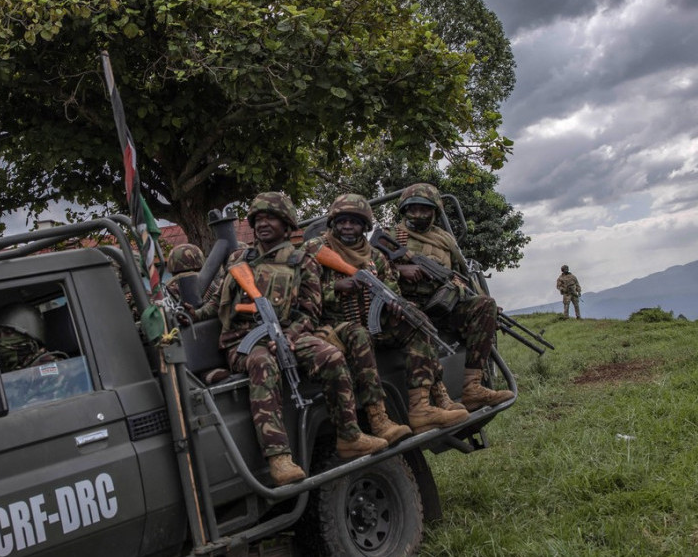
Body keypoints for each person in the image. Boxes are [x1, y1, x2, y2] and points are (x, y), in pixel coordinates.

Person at [197, 192, 387, 486]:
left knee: (331, 356)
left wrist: (287, 336)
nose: (262, 224)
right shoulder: (239, 259)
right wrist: (192, 314)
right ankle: (279, 457)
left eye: (270, 218)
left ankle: (349, 435)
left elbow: (311, 313)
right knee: (263, 362)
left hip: (288, 334)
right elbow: (216, 303)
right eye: (258, 219)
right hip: (242, 343)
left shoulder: (302, 261)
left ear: (286, 225)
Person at [304, 194, 469, 437]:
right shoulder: (316, 250)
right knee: (358, 334)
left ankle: (422, 406)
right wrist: (335, 289)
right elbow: (302, 294)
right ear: (333, 223)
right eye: (342, 221)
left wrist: (396, 305)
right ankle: (378, 416)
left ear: (365, 226)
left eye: (354, 221)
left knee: (416, 321)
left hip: (375, 324)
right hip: (333, 325)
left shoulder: (376, 257)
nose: (348, 226)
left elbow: (392, 289)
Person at [387, 183, 513, 411]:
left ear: (435, 211)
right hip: (409, 309)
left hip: (444, 307)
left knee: (486, 306)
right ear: (404, 210)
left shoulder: (444, 239)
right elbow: (373, 270)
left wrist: (483, 301)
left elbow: (462, 274)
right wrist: (400, 271)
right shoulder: (393, 237)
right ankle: (428, 402)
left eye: (425, 209)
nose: (418, 214)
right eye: (413, 209)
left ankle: (473, 387)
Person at [0, 302, 70, 405]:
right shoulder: (14, 369)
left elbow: (41, 410)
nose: (1, 340)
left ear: (30, 335)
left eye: (8, 333)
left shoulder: (50, 367)